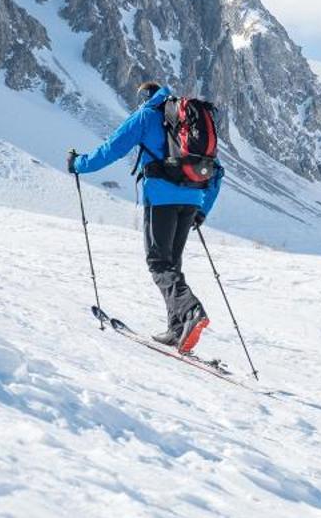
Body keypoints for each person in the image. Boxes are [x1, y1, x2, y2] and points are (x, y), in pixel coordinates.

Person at [68, 82, 223, 353]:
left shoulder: (146, 116)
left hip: (162, 197)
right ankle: (177, 329)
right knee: (171, 262)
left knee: (158, 262)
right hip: (192, 198)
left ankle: (190, 310)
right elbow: (216, 171)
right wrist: (202, 209)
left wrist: (78, 164)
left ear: (146, 98)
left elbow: (111, 149)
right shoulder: (190, 123)